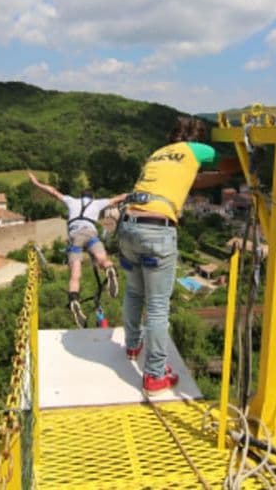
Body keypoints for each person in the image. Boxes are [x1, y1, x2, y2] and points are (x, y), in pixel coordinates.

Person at [118, 116, 218, 395]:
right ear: (196, 138)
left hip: (127, 225)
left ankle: (132, 345)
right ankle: (155, 375)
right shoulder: (195, 150)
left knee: (135, 292)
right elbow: (221, 160)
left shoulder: (157, 153)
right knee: (158, 306)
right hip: (156, 231)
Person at [27, 171, 128, 308]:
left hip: (74, 237)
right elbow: (120, 198)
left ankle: (74, 298)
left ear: (81, 196)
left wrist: (37, 183)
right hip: (90, 234)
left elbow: (53, 192)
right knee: (103, 259)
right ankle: (109, 268)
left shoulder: (71, 201)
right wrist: (137, 195)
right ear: (92, 197)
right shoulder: (97, 203)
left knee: (75, 273)